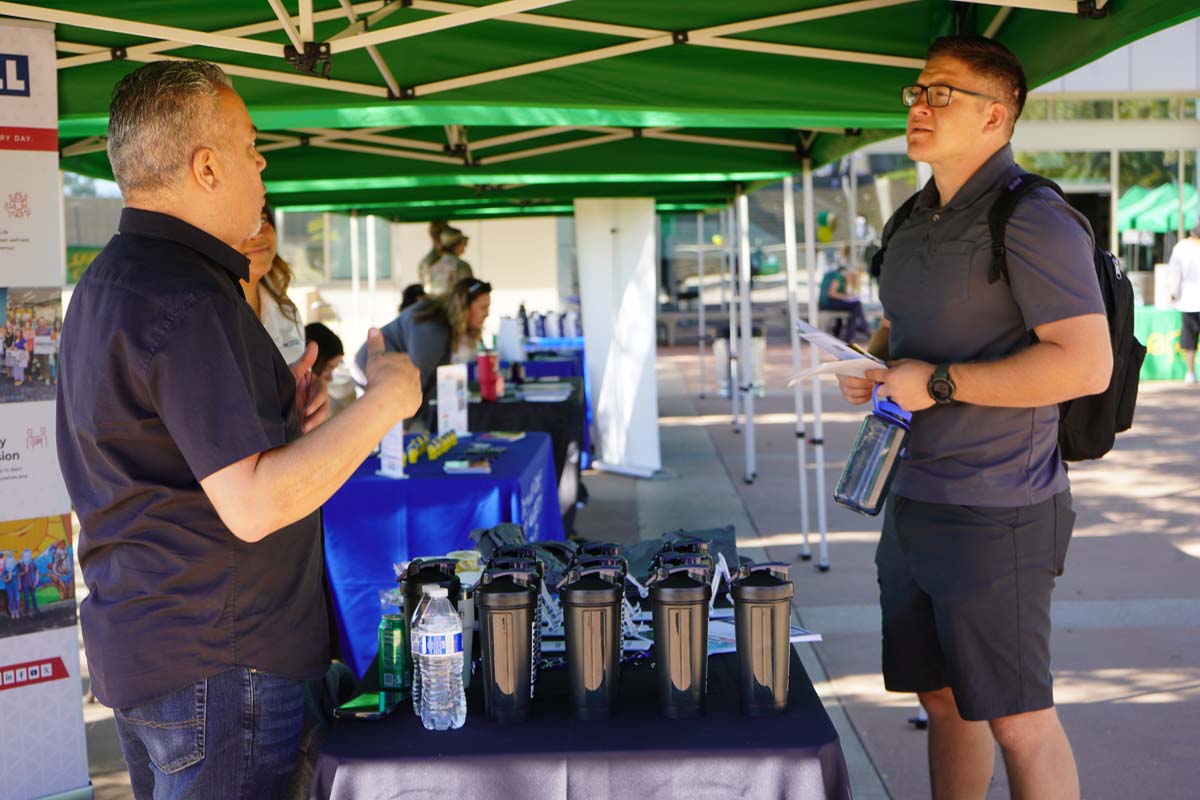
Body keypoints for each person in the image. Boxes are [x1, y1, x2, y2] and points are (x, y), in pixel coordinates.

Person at [55, 60, 421, 799]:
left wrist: (277, 415)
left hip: (160, 651)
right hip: (219, 666)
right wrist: (385, 401)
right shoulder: (188, 295)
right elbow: (253, 506)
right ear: (207, 167)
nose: (262, 165)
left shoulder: (110, 281)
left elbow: (155, 453)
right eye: (252, 147)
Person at [836, 35, 1112, 800]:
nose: (919, 104)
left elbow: (1086, 364)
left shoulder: (1032, 216)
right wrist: (877, 365)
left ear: (998, 117)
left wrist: (942, 384)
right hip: (911, 495)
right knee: (941, 700)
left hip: (1000, 509)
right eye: (918, 90)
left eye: (942, 93)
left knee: (1019, 718)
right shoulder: (912, 217)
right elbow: (908, 335)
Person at [354, 277, 491, 426]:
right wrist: (405, 427)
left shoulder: (442, 322)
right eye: (483, 307)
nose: (487, 313)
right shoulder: (433, 329)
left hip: (382, 369)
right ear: (465, 307)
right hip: (371, 368)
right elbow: (416, 381)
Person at [237, 202, 306, 364]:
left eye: (262, 221)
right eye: (242, 225)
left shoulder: (286, 309)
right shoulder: (207, 311)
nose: (257, 234)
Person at [1166, 223, 1200, 383]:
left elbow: (1174, 273)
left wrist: (1173, 293)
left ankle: (1190, 372)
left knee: (1190, 337)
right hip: (1189, 298)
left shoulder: (1181, 248)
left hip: (1188, 299)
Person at [819, 248, 872, 342]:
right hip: (828, 303)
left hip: (833, 302)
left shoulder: (844, 279)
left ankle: (851, 336)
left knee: (854, 310)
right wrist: (845, 297)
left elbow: (845, 293)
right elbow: (831, 293)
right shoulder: (839, 277)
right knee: (856, 305)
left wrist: (850, 295)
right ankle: (863, 328)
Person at [420, 226, 474, 295]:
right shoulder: (461, 265)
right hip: (456, 305)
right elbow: (468, 290)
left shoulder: (431, 265)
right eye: (463, 243)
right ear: (456, 245)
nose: (465, 246)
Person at [17, 548, 38, 615]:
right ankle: (27, 610)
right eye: (25, 555)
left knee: (33, 596)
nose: (27, 556)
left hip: (32, 583)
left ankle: (36, 608)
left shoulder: (32, 562)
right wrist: (24, 572)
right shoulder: (21, 564)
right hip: (25, 584)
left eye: (28, 555)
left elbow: (36, 571)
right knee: (26, 597)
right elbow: (18, 575)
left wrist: (36, 581)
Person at [2, 553, 18, 619]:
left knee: (16, 599)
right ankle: (12, 612)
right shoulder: (5, 571)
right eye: (8, 562)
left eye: (11, 561)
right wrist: (9, 578)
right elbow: (5, 580)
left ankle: (16, 611)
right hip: (9, 586)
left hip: (15, 585)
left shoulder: (15, 569)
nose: (10, 563)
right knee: (11, 599)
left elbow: (18, 576)